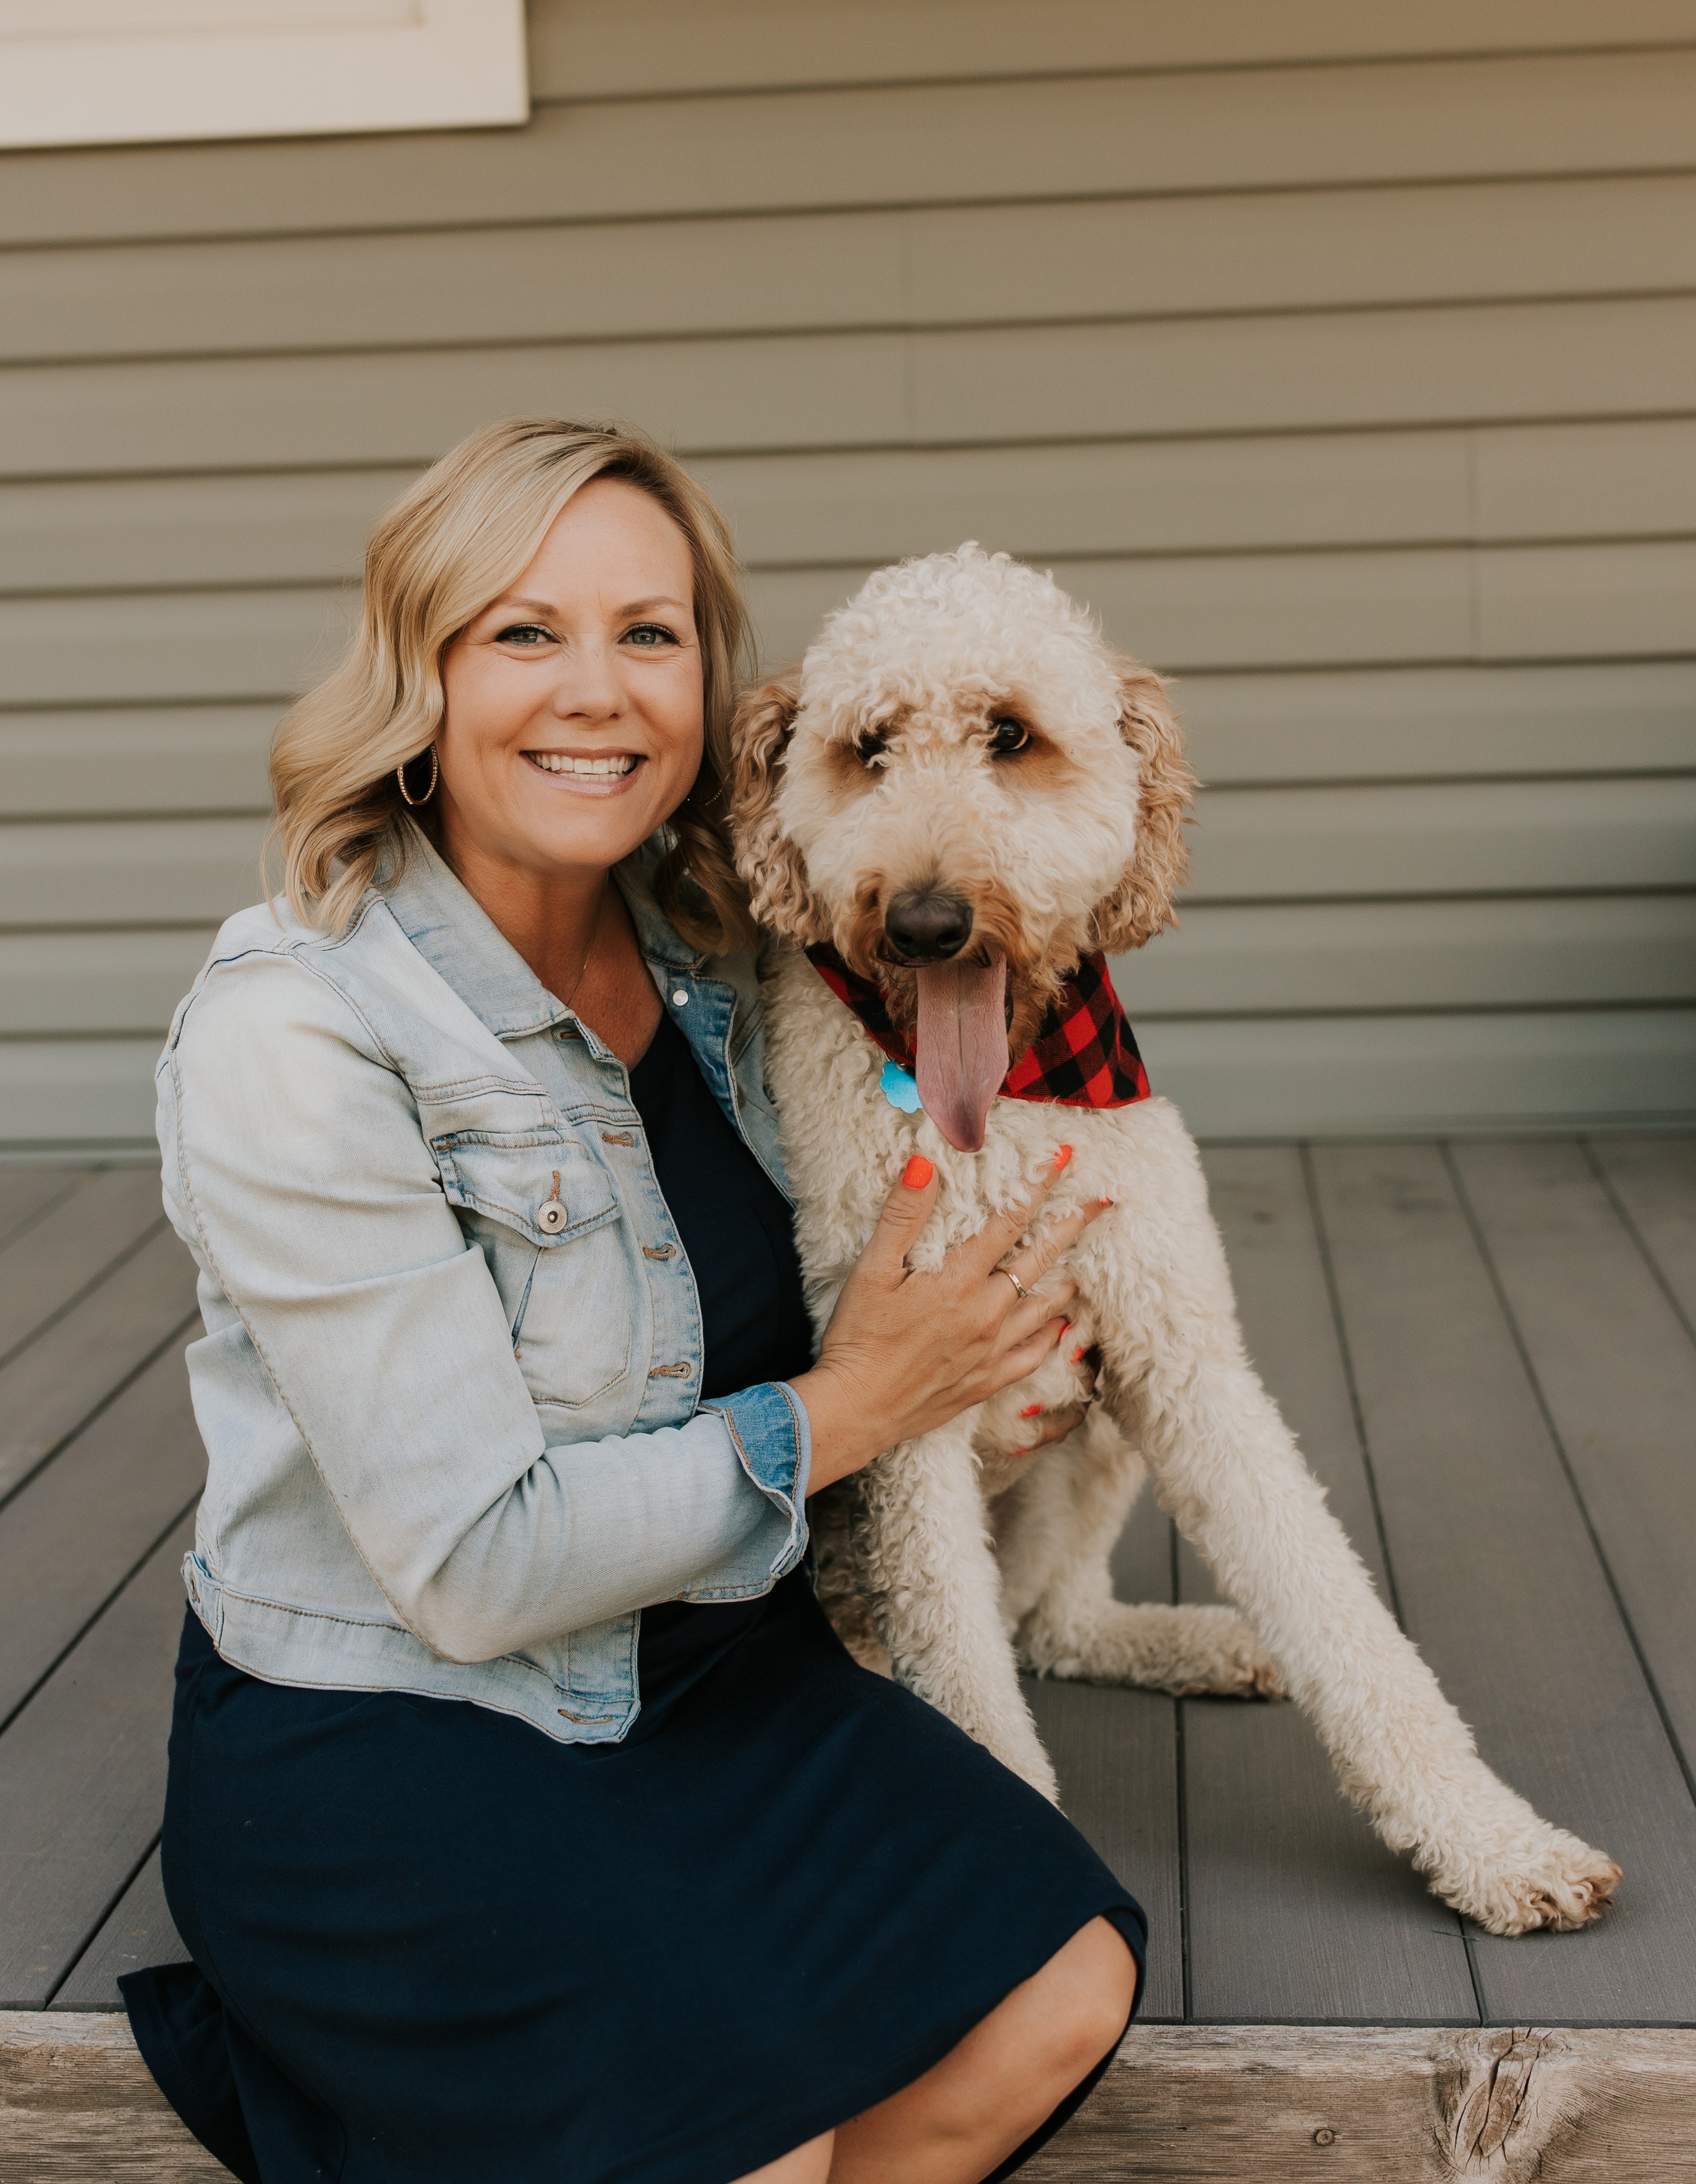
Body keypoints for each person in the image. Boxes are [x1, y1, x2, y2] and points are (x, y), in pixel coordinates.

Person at [122, 417, 1143, 2184]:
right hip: (402, 1730)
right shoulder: (299, 1034)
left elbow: (885, 1238)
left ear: (706, 681)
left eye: (647, 634)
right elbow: (476, 1563)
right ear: (419, 671)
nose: (594, 691)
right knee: (754, 2143)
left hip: (709, 1660)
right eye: (525, 632)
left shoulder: (732, 961)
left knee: (1062, 1985)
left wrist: (986, 1383)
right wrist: (862, 1407)